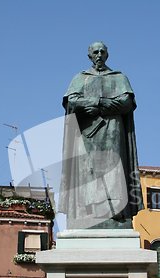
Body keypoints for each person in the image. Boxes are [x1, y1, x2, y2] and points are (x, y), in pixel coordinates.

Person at [58, 42, 143, 229]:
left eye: (102, 52)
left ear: (107, 55)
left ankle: (115, 211)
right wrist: (96, 103)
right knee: (87, 170)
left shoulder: (119, 77)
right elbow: (71, 100)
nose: (98, 55)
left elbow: (127, 101)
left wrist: (100, 104)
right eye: (95, 52)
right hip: (87, 132)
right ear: (89, 56)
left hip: (113, 129)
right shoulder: (80, 78)